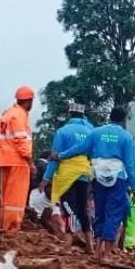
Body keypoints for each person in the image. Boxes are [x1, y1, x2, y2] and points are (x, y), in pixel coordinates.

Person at [52, 105, 135, 257]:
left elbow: (80, 148)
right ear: (123, 120)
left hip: (97, 176)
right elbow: (130, 164)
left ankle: (97, 249)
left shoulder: (96, 132)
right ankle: (106, 254)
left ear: (109, 116)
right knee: (114, 213)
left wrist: (61, 155)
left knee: (100, 211)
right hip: (117, 177)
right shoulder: (126, 137)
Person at [42, 102, 94, 249]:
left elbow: (54, 158)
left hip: (67, 175)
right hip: (84, 173)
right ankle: (90, 244)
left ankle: (68, 242)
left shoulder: (63, 131)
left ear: (69, 114)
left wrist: (46, 178)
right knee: (83, 209)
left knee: (68, 207)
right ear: (83, 115)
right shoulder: (91, 132)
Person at [0, 86, 36, 234]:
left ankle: (5, 225)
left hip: (6, 159)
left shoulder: (8, 114)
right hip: (18, 161)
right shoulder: (19, 115)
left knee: (7, 197)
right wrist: (30, 162)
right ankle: (12, 227)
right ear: (29, 101)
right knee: (16, 198)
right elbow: (21, 140)